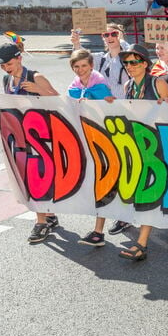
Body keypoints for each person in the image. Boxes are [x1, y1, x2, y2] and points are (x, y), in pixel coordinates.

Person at [0, 43, 60, 244]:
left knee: (37, 178)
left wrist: (38, 90)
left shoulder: (36, 77)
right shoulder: (6, 79)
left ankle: (41, 222)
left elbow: (59, 101)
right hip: (20, 136)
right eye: (2, 65)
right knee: (31, 178)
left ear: (19, 58)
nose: (6, 68)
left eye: (8, 63)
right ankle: (49, 216)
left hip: (41, 137)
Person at [115, 44, 168, 261]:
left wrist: (167, 104)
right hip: (139, 146)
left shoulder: (158, 82)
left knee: (157, 188)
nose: (129, 66)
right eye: (126, 63)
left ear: (145, 64)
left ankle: (144, 242)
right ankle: (144, 240)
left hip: (159, 144)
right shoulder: (128, 86)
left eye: (134, 62)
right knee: (147, 190)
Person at [66, 49, 117, 247]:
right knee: (97, 184)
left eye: (84, 66)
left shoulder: (101, 84)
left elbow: (110, 109)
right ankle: (99, 230)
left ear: (91, 66)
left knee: (104, 183)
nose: (80, 70)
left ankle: (99, 230)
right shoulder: (73, 86)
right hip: (86, 139)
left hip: (105, 139)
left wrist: (97, 103)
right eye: (76, 67)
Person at [71, 23, 129, 99]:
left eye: (114, 34)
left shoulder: (128, 57)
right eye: (106, 35)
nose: (110, 37)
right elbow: (82, 57)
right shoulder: (101, 59)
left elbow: (133, 51)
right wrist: (76, 43)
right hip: (104, 104)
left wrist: (121, 40)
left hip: (125, 105)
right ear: (103, 38)